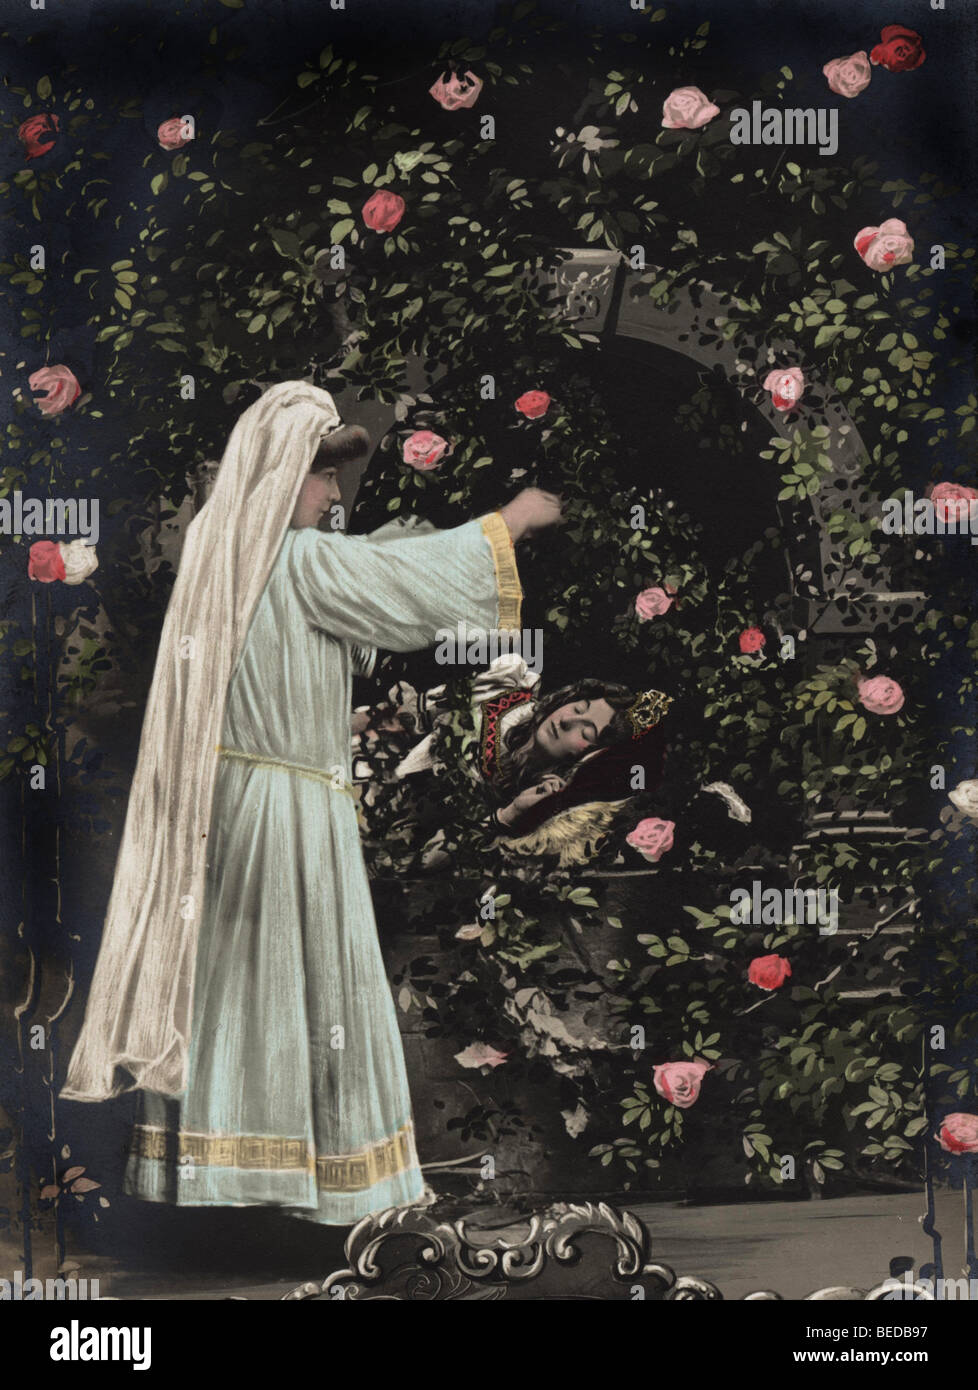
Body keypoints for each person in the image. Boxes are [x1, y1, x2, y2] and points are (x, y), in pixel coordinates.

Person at [60, 380, 562, 1225]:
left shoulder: (222, 548)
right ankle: (302, 1186)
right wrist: (512, 521)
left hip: (226, 806)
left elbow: (320, 613)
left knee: (236, 988)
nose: (332, 496)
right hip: (285, 811)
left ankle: (229, 1183)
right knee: (301, 986)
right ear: (283, 472)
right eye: (321, 477)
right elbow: (402, 582)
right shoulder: (293, 558)